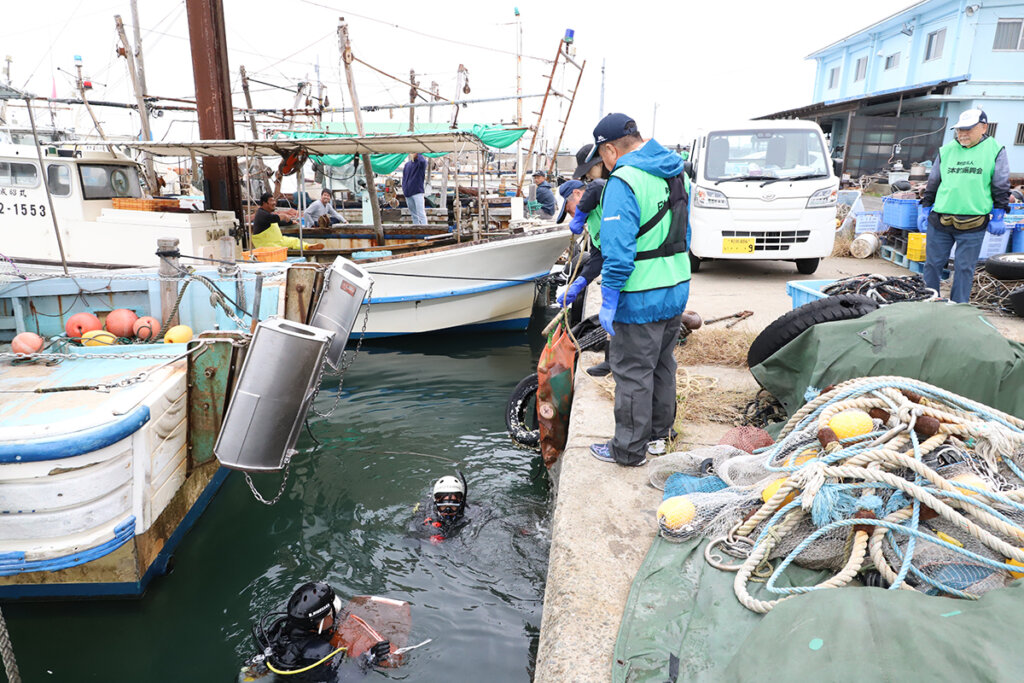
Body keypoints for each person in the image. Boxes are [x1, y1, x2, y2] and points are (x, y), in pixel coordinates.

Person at [584, 113, 691, 467]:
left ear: (611, 149)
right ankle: (661, 436)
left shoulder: (624, 180)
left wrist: (609, 298)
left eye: (602, 157)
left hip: (640, 294)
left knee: (633, 372)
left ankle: (629, 450)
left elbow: (618, 253)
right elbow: (685, 235)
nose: (604, 164)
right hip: (676, 287)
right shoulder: (677, 172)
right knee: (662, 364)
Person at [919, 109, 1010, 303]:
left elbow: (1001, 184)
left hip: (974, 222)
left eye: (968, 130)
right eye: (960, 130)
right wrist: (926, 206)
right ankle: (928, 303)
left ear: (983, 127)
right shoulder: (947, 150)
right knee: (932, 265)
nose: (962, 134)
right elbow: (934, 181)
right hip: (940, 219)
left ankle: (957, 307)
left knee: (964, 268)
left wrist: (1000, 213)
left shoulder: (995, 150)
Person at [246, 581, 396, 681]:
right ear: (321, 622)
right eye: (331, 614)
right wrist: (370, 659)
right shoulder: (321, 652)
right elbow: (345, 678)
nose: (336, 615)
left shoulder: (278, 628)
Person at [252, 192, 323, 251]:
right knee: (280, 249)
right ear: (264, 203)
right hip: (266, 245)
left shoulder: (268, 213)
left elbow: (278, 222)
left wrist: (291, 222)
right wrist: (283, 216)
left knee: (294, 241)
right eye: (271, 201)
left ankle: (308, 246)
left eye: (274, 200)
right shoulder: (261, 214)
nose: (274, 203)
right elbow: (273, 218)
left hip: (278, 241)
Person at [416, 473, 470, 542]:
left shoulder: (473, 511)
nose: (448, 512)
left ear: (461, 503)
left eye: (453, 506)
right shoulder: (424, 509)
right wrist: (427, 533)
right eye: (443, 507)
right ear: (435, 503)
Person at [402, 153, 428, 225]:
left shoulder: (421, 164)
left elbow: (423, 162)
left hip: (417, 192)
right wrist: (404, 189)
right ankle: (417, 230)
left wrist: (418, 154)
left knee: (421, 214)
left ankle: (425, 230)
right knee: (414, 215)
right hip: (408, 193)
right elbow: (404, 178)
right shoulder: (407, 165)